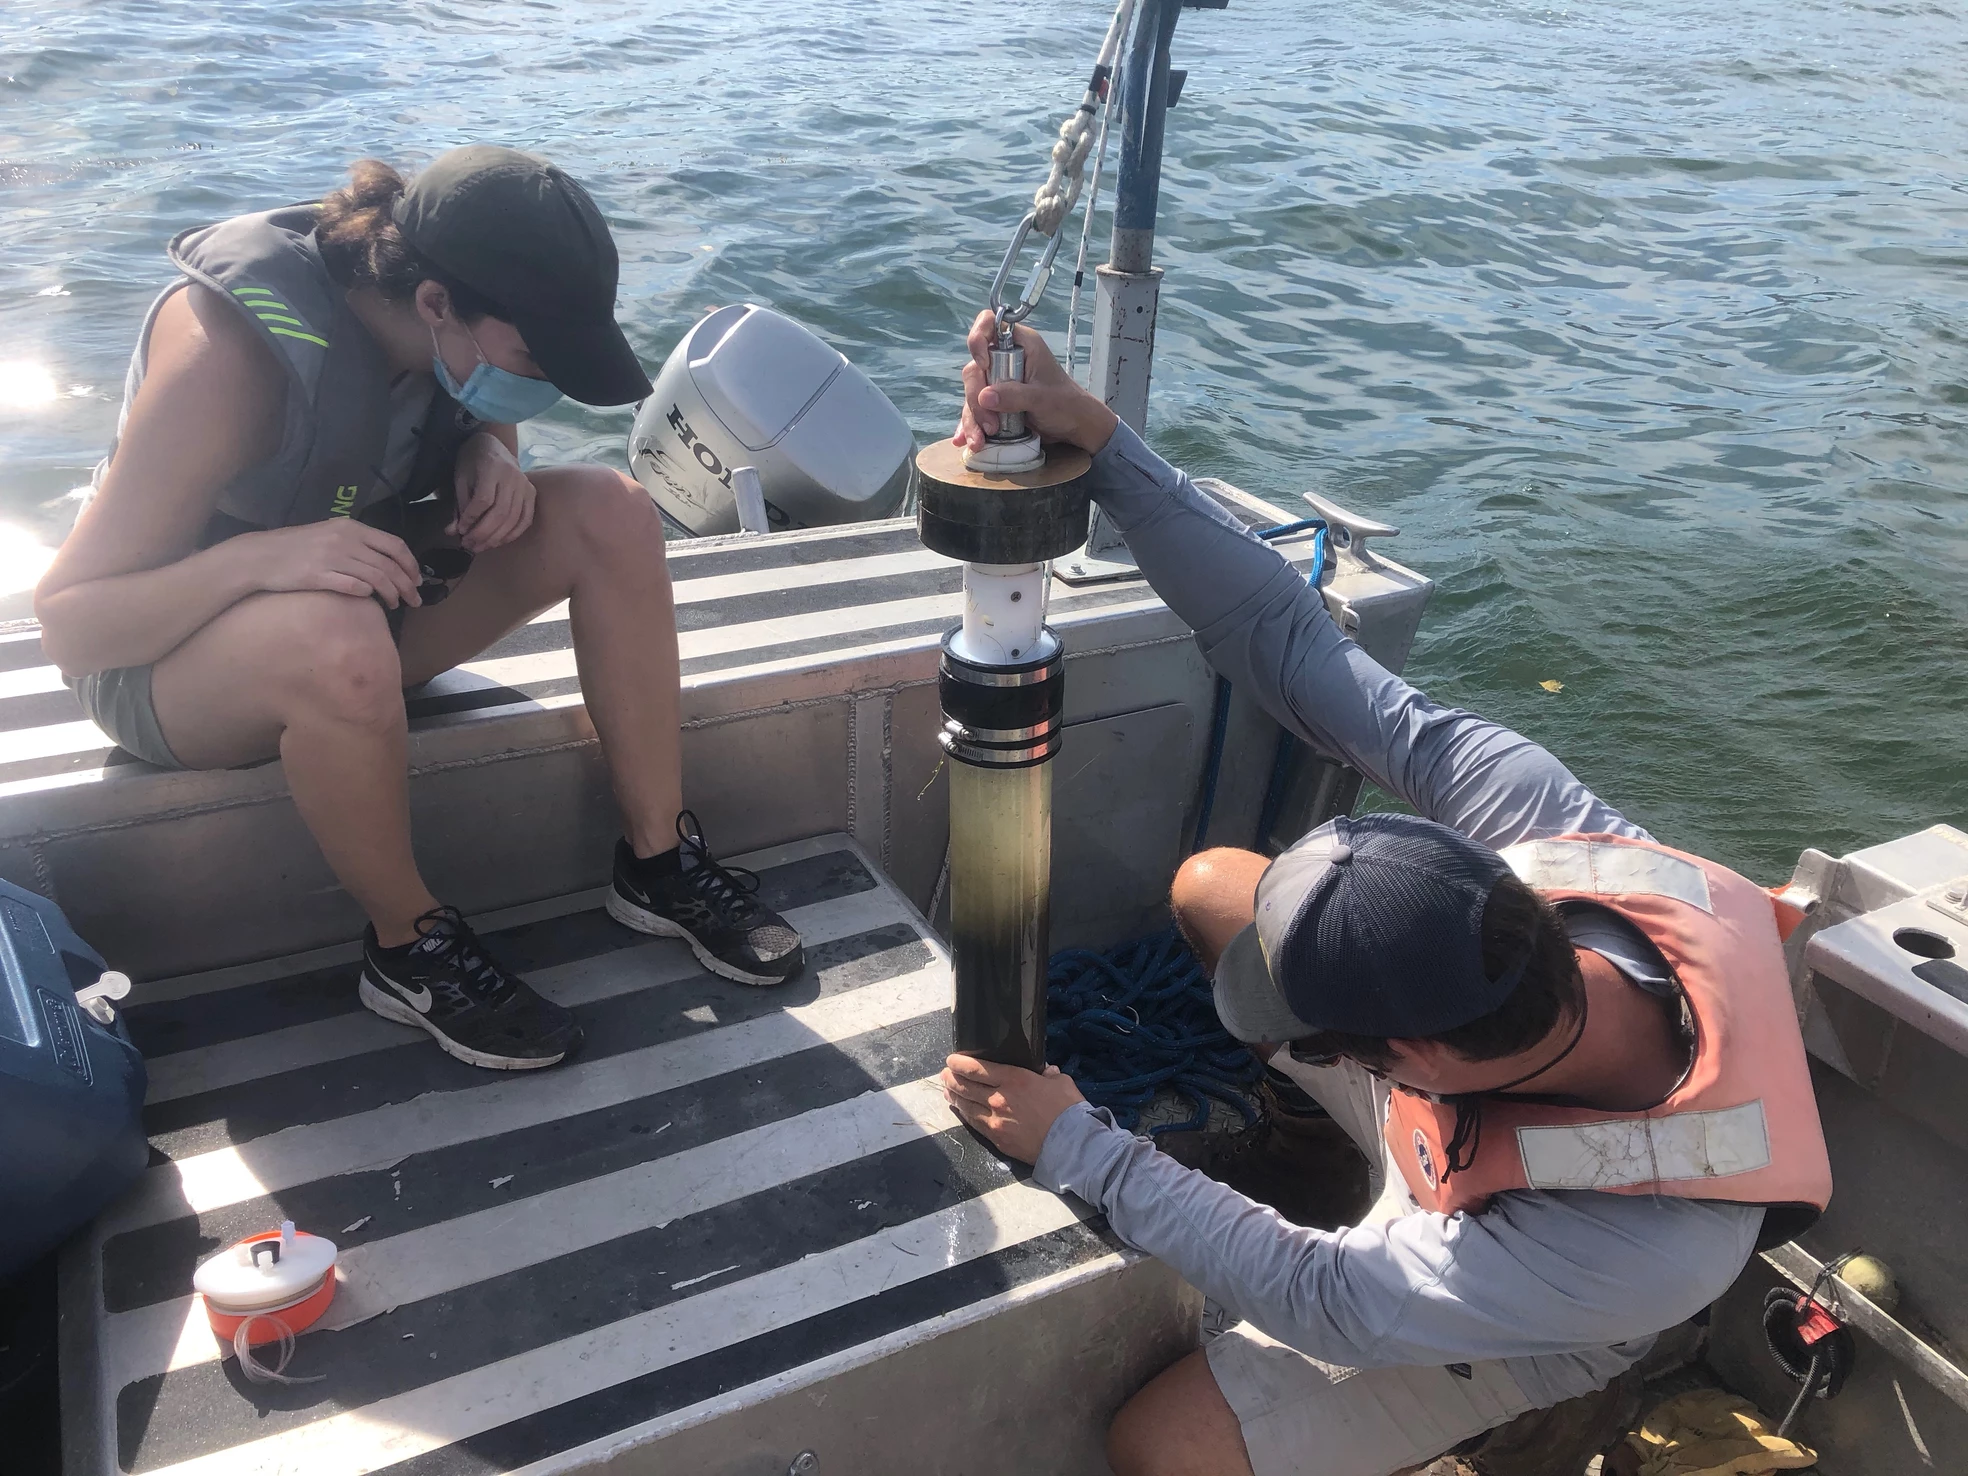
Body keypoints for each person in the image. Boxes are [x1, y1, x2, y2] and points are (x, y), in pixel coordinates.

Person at [939, 313, 1833, 1476]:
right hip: (1464, 1125)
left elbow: (1335, 1301)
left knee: (1162, 1447)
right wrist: (1101, 443)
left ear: (1409, 1060)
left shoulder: (1646, 1250)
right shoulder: (1559, 831)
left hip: (1527, 1300)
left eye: (1336, 1051)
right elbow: (1288, 640)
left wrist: (1080, 1146)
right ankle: (1320, 1155)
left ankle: (1499, 1417)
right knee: (1219, 893)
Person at [34, 147, 805, 1073]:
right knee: (336, 633)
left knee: (612, 508)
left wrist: (491, 451)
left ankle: (658, 863)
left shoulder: (443, 326)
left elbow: (474, 403)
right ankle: (407, 949)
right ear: (437, 303)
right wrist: (265, 559)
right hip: (166, 667)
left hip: (361, 607)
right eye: (532, 359)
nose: (543, 382)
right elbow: (73, 622)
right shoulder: (226, 360)